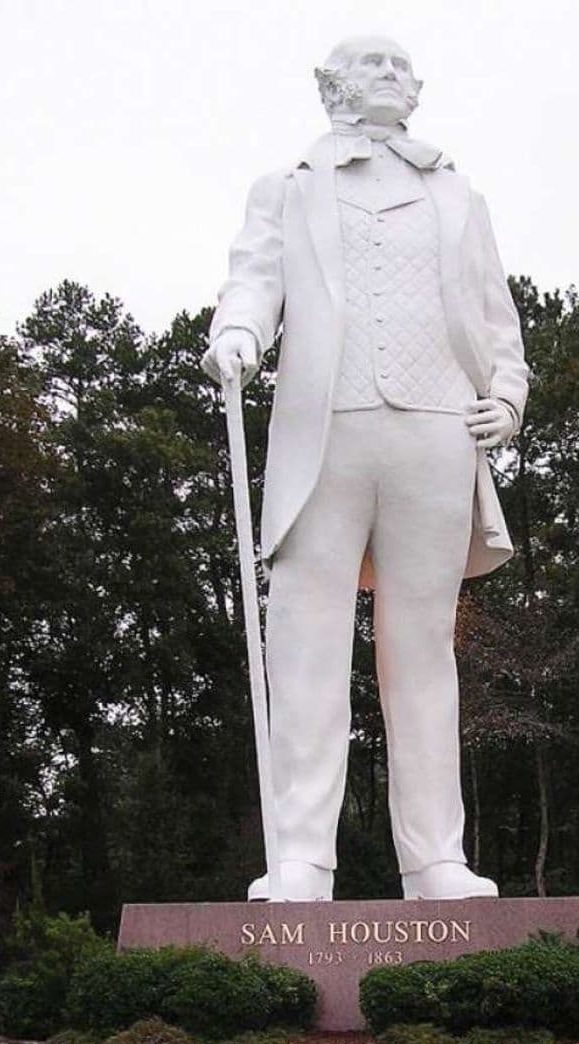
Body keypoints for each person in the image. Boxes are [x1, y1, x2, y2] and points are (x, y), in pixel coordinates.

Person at [203, 35, 530, 901]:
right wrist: (237, 333)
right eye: (371, 63)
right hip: (326, 434)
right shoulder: (288, 188)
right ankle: (301, 858)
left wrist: (509, 392)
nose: (390, 73)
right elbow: (254, 278)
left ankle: (436, 862)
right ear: (332, 85)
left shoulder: (459, 196)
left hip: (435, 431)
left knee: (422, 650)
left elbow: (496, 316)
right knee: (305, 647)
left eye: (400, 64)